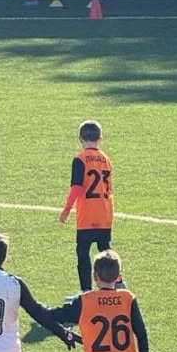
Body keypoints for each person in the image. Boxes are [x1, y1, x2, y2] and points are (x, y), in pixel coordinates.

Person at [59, 120, 116, 293]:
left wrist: (67, 209)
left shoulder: (80, 159)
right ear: (100, 139)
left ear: (80, 139)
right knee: (106, 252)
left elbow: (77, 188)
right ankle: (114, 285)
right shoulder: (106, 159)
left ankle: (86, 291)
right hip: (105, 214)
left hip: (87, 216)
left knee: (83, 254)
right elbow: (109, 189)